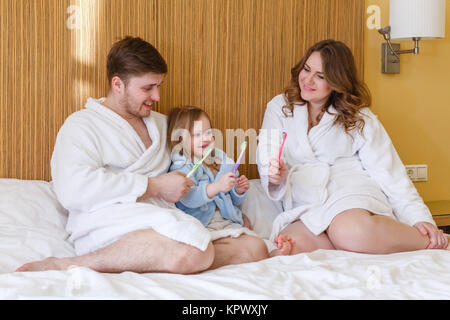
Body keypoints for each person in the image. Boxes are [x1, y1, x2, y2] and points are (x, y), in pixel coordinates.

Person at [16, 37, 216, 274]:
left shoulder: (163, 125)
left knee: (251, 248)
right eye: (147, 88)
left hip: (160, 218)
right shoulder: (82, 125)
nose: (158, 96)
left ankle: (163, 256)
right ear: (118, 84)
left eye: (159, 85)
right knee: (196, 250)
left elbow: (194, 160)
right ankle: (70, 264)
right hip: (109, 224)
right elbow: (74, 189)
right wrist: (154, 186)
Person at [257, 39, 449, 254]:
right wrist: (274, 175)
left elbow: (389, 172)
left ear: (337, 82)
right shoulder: (280, 107)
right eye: (307, 69)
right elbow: (267, 153)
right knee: (288, 247)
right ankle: (352, 242)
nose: (308, 80)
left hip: (350, 194)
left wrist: (420, 219)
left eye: (320, 76)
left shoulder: (359, 118)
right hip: (308, 203)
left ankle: (435, 242)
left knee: (348, 231)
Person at [167, 106, 293, 267]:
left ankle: (274, 253)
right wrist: (217, 187)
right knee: (252, 246)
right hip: (204, 225)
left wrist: (237, 190)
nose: (205, 138)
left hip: (227, 221)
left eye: (208, 132)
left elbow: (230, 198)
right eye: (197, 135)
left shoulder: (218, 162)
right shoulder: (183, 165)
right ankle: (258, 254)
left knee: (256, 242)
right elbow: (188, 198)